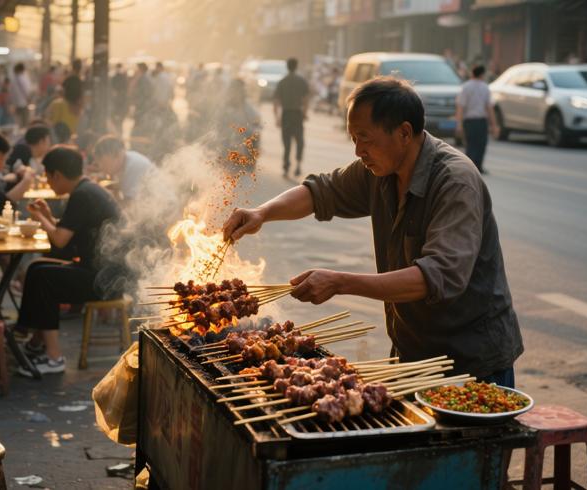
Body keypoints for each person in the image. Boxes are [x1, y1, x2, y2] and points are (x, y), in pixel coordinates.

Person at [222, 77, 523, 387]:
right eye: (353, 138)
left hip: (472, 363)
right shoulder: (380, 169)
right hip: (412, 352)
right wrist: (262, 212)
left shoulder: (455, 182)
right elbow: (322, 191)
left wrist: (340, 282)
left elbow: (437, 276)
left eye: (364, 138)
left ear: (404, 132)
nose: (358, 151)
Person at [16, 146, 120, 376]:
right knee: (37, 267)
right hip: (102, 272)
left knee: (43, 277)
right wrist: (48, 216)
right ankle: (35, 341)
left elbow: (60, 240)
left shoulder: (82, 195)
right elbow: (68, 231)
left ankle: (54, 358)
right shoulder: (88, 189)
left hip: (104, 280)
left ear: (57, 175)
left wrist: (40, 218)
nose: (47, 182)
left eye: (47, 176)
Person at [455, 65, 498, 174]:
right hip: (482, 121)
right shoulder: (485, 87)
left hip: (469, 121)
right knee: (481, 145)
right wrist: (494, 125)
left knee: (471, 145)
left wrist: (459, 124)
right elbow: (489, 108)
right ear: (482, 74)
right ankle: (478, 166)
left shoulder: (466, 87)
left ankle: (470, 167)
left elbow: (460, 106)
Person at [273, 58, 310, 178]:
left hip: (286, 114)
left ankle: (286, 165)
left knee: (286, 141)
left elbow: (276, 101)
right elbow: (306, 99)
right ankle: (298, 164)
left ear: (287, 66)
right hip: (297, 114)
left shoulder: (282, 82)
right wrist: (305, 113)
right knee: (299, 140)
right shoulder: (301, 81)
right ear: (296, 66)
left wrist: (277, 117)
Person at [92, 135, 154, 201]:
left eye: (102, 162)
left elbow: (128, 204)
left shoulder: (132, 166)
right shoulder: (123, 162)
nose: (100, 167)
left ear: (116, 155)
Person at [9, 63, 32, 127]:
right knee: (24, 120)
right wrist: (28, 98)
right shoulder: (22, 78)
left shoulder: (14, 79)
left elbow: (12, 92)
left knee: (19, 120)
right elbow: (26, 90)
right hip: (23, 102)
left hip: (17, 103)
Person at [110, 64, 130, 134]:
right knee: (120, 121)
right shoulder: (123, 78)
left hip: (118, 103)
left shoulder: (115, 77)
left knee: (117, 120)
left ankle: (117, 133)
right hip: (121, 103)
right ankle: (119, 133)